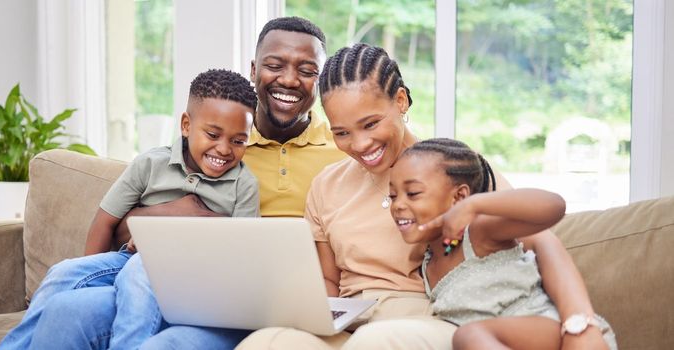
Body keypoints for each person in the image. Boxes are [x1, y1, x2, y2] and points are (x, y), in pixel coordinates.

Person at [1, 16, 346, 350]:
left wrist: (202, 221)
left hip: (238, 294)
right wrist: (175, 213)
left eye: (306, 70)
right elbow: (121, 230)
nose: (289, 80)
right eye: (275, 65)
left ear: (320, 80)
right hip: (157, 273)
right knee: (67, 312)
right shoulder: (212, 137)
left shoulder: (344, 147)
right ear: (254, 70)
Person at [237, 43, 610, 349]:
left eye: (370, 124)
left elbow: (539, 238)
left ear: (400, 101)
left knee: (373, 343)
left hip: (431, 319)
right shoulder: (326, 185)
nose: (360, 144)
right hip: (349, 322)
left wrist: (582, 322)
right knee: (267, 343)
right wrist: (310, 310)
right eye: (342, 133)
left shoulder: (452, 168)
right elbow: (329, 283)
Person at [0, 68, 260, 350]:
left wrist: (180, 236)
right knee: (63, 272)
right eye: (213, 134)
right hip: (128, 258)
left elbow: (239, 254)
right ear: (186, 125)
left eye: (238, 141)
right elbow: (104, 222)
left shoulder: (244, 184)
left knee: (139, 270)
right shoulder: (150, 164)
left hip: (189, 271)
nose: (224, 149)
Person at [388, 138, 616, 350]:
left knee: (469, 335)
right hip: (502, 342)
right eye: (392, 196)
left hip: (551, 330)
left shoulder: (478, 234)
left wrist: (475, 206)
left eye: (413, 193)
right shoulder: (427, 264)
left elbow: (553, 206)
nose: (398, 205)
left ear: (459, 197)